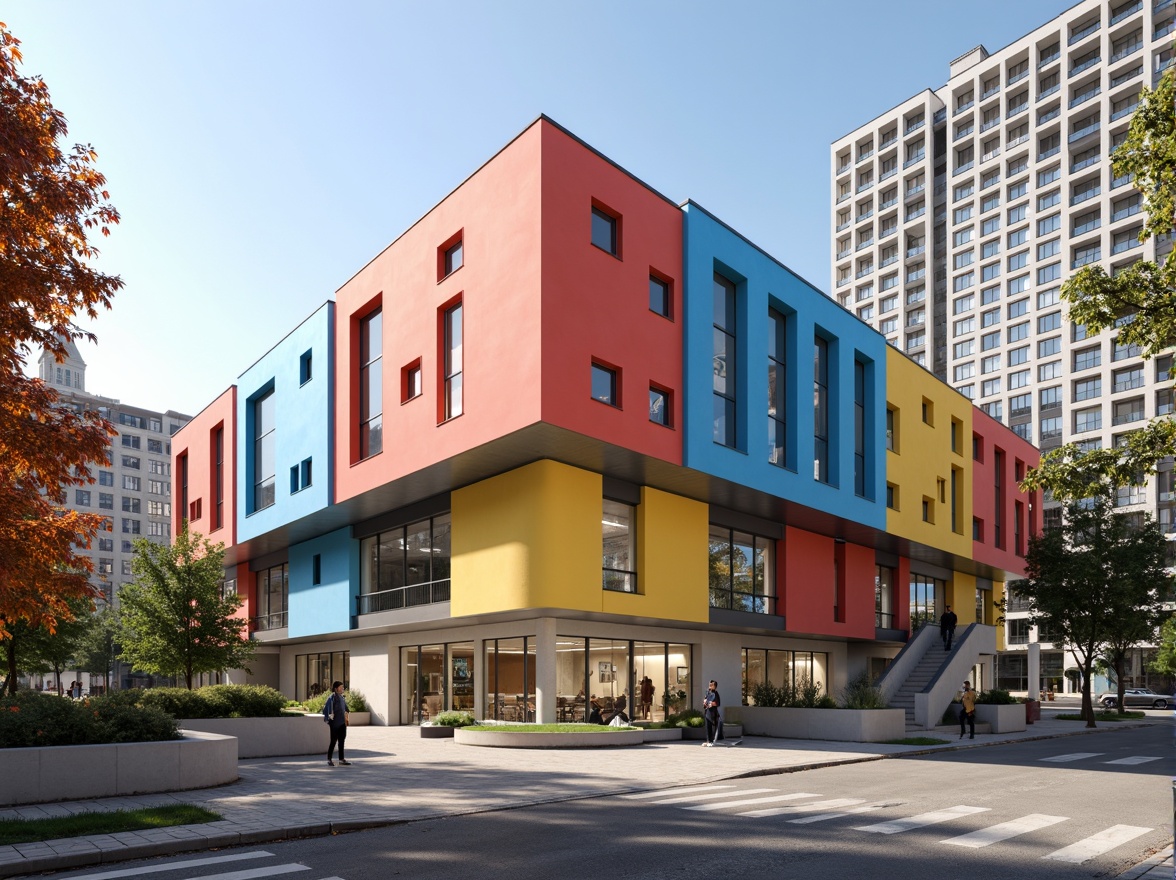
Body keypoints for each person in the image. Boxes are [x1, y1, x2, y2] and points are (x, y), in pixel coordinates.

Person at [323, 680, 351, 765]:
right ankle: (329, 759)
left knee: (342, 740)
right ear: (336, 688)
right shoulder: (332, 697)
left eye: (343, 687)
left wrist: (347, 712)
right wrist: (329, 719)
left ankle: (341, 759)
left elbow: (346, 709)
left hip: (342, 723)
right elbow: (326, 709)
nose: (343, 688)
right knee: (333, 741)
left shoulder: (342, 697)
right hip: (335, 723)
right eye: (341, 687)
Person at [702, 680, 721, 747]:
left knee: (712, 726)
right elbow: (705, 700)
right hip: (707, 711)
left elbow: (718, 703)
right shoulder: (707, 692)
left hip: (713, 713)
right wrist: (704, 703)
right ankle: (708, 741)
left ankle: (711, 741)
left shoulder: (716, 693)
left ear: (715, 686)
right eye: (709, 684)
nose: (710, 685)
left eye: (711, 685)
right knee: (707, 726)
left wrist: (712, 703)